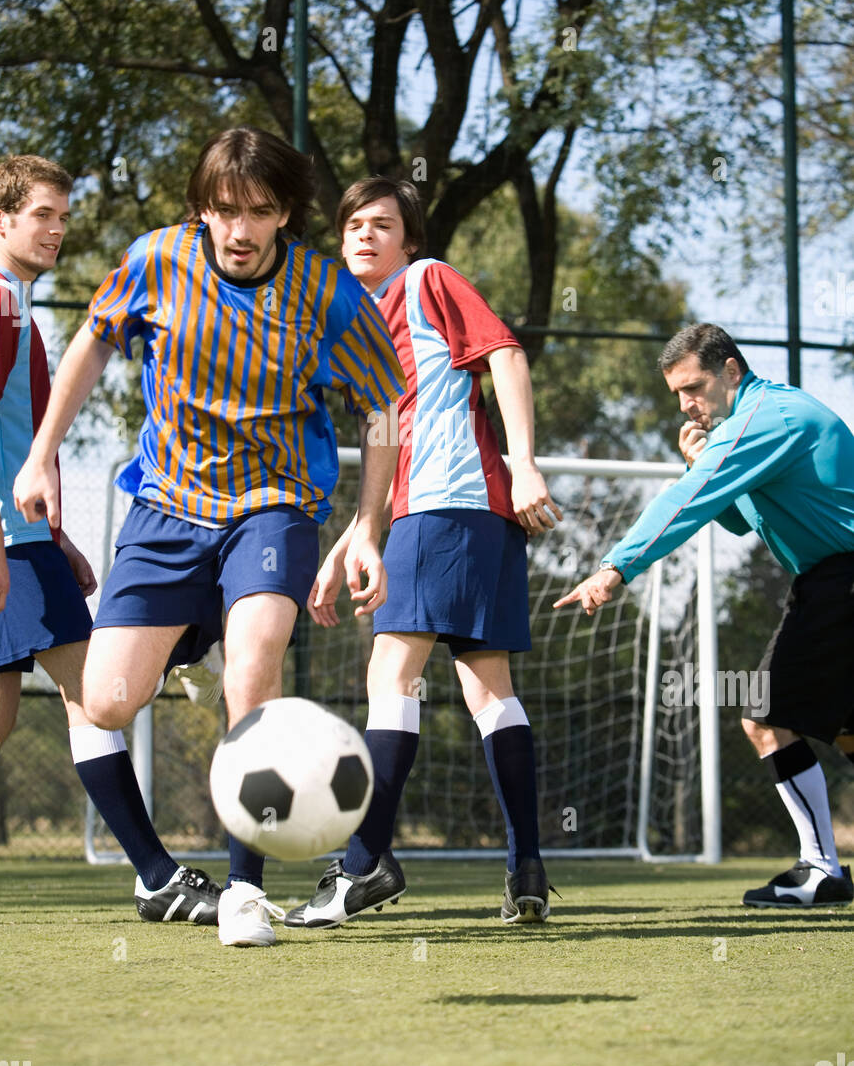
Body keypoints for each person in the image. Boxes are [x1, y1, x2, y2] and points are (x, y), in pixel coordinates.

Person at [13, 129, 405, 947]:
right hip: (166, 507)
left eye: (259, 212)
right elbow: (91, 340)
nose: (239, 228)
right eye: (225, 210)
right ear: (202, 209)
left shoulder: (329, 293)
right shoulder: (156, 261)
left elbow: (382, 410)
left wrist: (367, 527)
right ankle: (196, 641)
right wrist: (43, 454)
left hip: (274, 506)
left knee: (255, 669)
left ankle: (243, 892)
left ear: (285, 215)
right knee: (108, 701)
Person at [285, 177, 563, 930]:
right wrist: (356, 533)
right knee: (488, 689)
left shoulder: (427, 280)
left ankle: (364, 863)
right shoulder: (358, 325)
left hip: (448, 503)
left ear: (409, 240)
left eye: (382, 224)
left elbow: (504, 354)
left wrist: (525, 461)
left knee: (391, 675)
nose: (364, 235)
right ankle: (527, 867)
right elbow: (387, 441)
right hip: (452, 512)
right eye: (352, 225)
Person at [0, 154, 221, 925]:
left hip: (25, 537)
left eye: (63, 216)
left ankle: (154, 873)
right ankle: (155, 874)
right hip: (4, 542)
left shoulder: (15, 302)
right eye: (42, 216)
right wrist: (0, 545)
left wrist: (54, 537)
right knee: (99, 695)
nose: (58, 229)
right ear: (0, 221)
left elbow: (16, 440)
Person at [555, 322, 854, 908]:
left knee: (764, 717)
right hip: (832, 579)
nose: (688, 406)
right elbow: (740, 517)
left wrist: (614, 568)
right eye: (678, 396)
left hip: (841, 582)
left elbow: (687, 505)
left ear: (731, 372)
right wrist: (700, 468)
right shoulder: (761, 418)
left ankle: (822, 869)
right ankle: (824, 868)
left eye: (694, 388)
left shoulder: (766, 416)